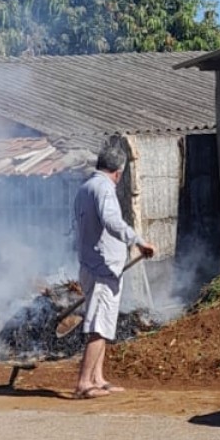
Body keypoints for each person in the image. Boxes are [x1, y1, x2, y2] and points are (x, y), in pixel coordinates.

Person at [72, 145, 154, 399]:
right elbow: (112, 221)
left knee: (104, 322)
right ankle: (84, 383)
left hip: (90, 266)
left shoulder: (85, 188)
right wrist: (137, 241)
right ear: (118, 173)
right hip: (102, 269)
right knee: (99, 325)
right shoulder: (105, 189)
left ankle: (98, 378)